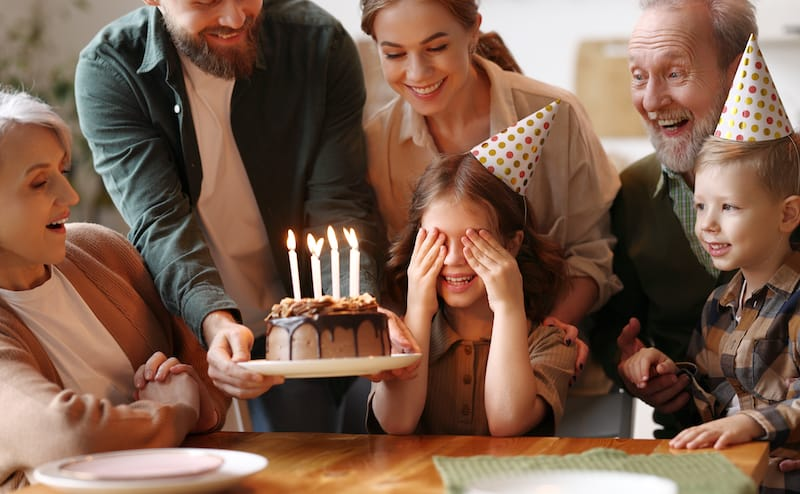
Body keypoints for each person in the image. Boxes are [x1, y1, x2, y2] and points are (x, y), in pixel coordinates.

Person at [74, 0, 390, 432]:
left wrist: (357, 312)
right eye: (205, 1)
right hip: (196, 323)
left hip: (304, 322)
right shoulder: (112, 70)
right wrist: (215, 321)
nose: (235, 18)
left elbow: (339, 202)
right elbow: (161, 221)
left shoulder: (318, 44)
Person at [0, 88, 229, 492]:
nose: (69, 197)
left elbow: (206, 374)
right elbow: (70, 436)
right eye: (39, 182)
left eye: (62, 172)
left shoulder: (102, 250)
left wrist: (198, 402)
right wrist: (174, 411)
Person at [359, 0, 621, 329]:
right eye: (394, 54)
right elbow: (390, 277)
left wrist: (539, 342)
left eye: (437, 47)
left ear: (473, 31)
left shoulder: (559, 114)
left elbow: (592, 255)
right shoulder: (375, 143)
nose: (417, 72)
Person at [620, 35, 800, 490]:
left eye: (730, 208)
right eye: (701, 207)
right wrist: (666, 371)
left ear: (787, 214)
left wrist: (754, 425)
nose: (709, 226)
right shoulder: (719, 304)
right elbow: (709, 402)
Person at [590, 0, 757, 438]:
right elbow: (613, 325)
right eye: (639, 76)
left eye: (675, 73)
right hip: (686, 448)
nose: (650, 100)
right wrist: (630, 365)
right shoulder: (629, 192)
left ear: (735, 70)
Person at [368, 104, 577, 436]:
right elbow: (396, 422)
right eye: (436, 240)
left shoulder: (550, 343)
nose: (452, 258)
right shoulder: (396, 338)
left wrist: (508, 306)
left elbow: (508, 423)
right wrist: (418, 308)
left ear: (510, 244)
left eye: (472, 240)